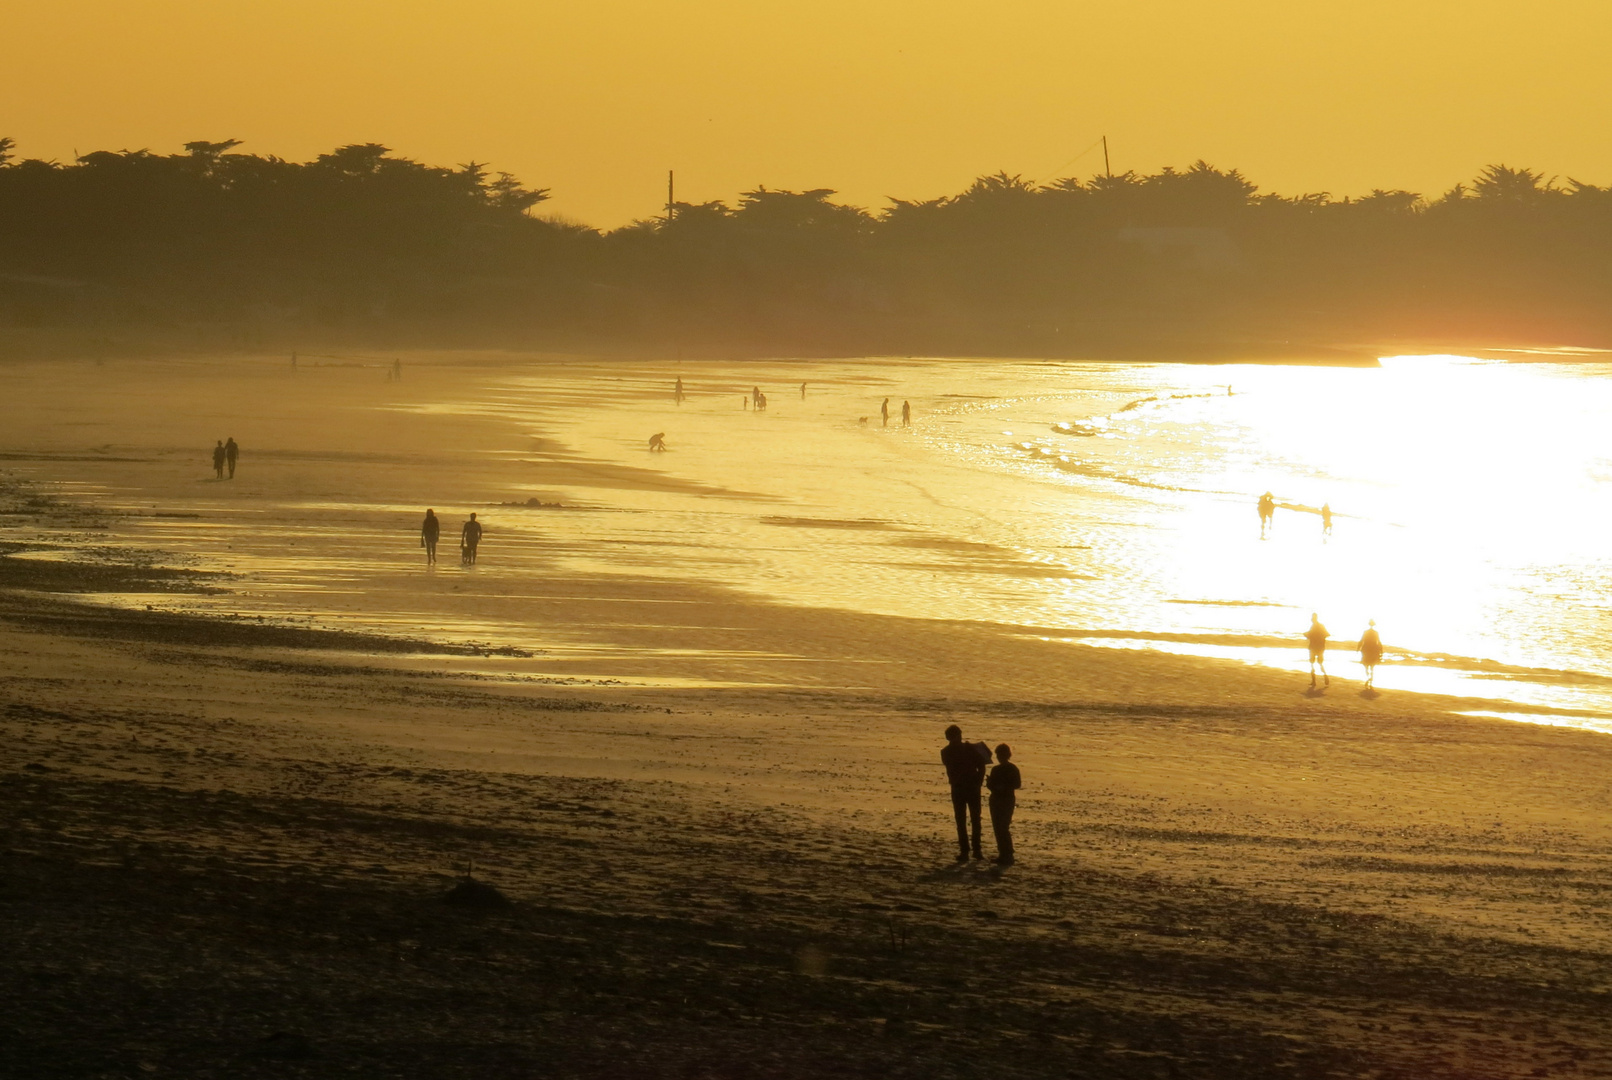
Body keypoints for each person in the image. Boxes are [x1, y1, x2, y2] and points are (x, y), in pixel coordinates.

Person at [940, 724, 986, 862]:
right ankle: (968, 850)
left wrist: (979, 781)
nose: (956, 739)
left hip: (968, 787)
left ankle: (974, 850)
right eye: (954, 737)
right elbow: (981, 765)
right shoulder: (950, 751)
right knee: (964, 819)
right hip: (961, 787)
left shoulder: (966, 749)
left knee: (973, 819)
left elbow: (982, 766)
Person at [985, 743, 1021, 865]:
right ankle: (1004, 853)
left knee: (1002, 827)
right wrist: (990, 783)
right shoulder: (999, 769)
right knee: (999, 827)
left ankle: (1007, 853)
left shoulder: (1010, 769)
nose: (999, 756)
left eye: (1001, 754)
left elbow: (1017, 784)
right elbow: (992, 786)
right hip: (998, 799)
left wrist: (1000, 786)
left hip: (1005, 799)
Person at [1305, 613, 1330, 688]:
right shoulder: (1321, 626)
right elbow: (1327, 634)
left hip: (1313, 647)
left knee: (1312, 663)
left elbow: (1310, 635)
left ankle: (1314, 681)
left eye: (1312, 618)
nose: (1311, 619)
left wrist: (1307, 635)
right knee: (1320, 663)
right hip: (1320, 647)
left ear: (1314, 618)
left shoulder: (1313, 626)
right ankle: (1325, 676)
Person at [1359, 620, 1383, 689]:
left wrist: (1358, 648)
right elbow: (1379, 642)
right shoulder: (1376, 633)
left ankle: (1368, 678)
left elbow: (1362, 640)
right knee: (1372, 666)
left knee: (1366, 665)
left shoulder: (1365, 632)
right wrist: (1381, 650)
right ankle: (1370, 680)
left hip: (1366, 649)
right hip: (1373, 650)